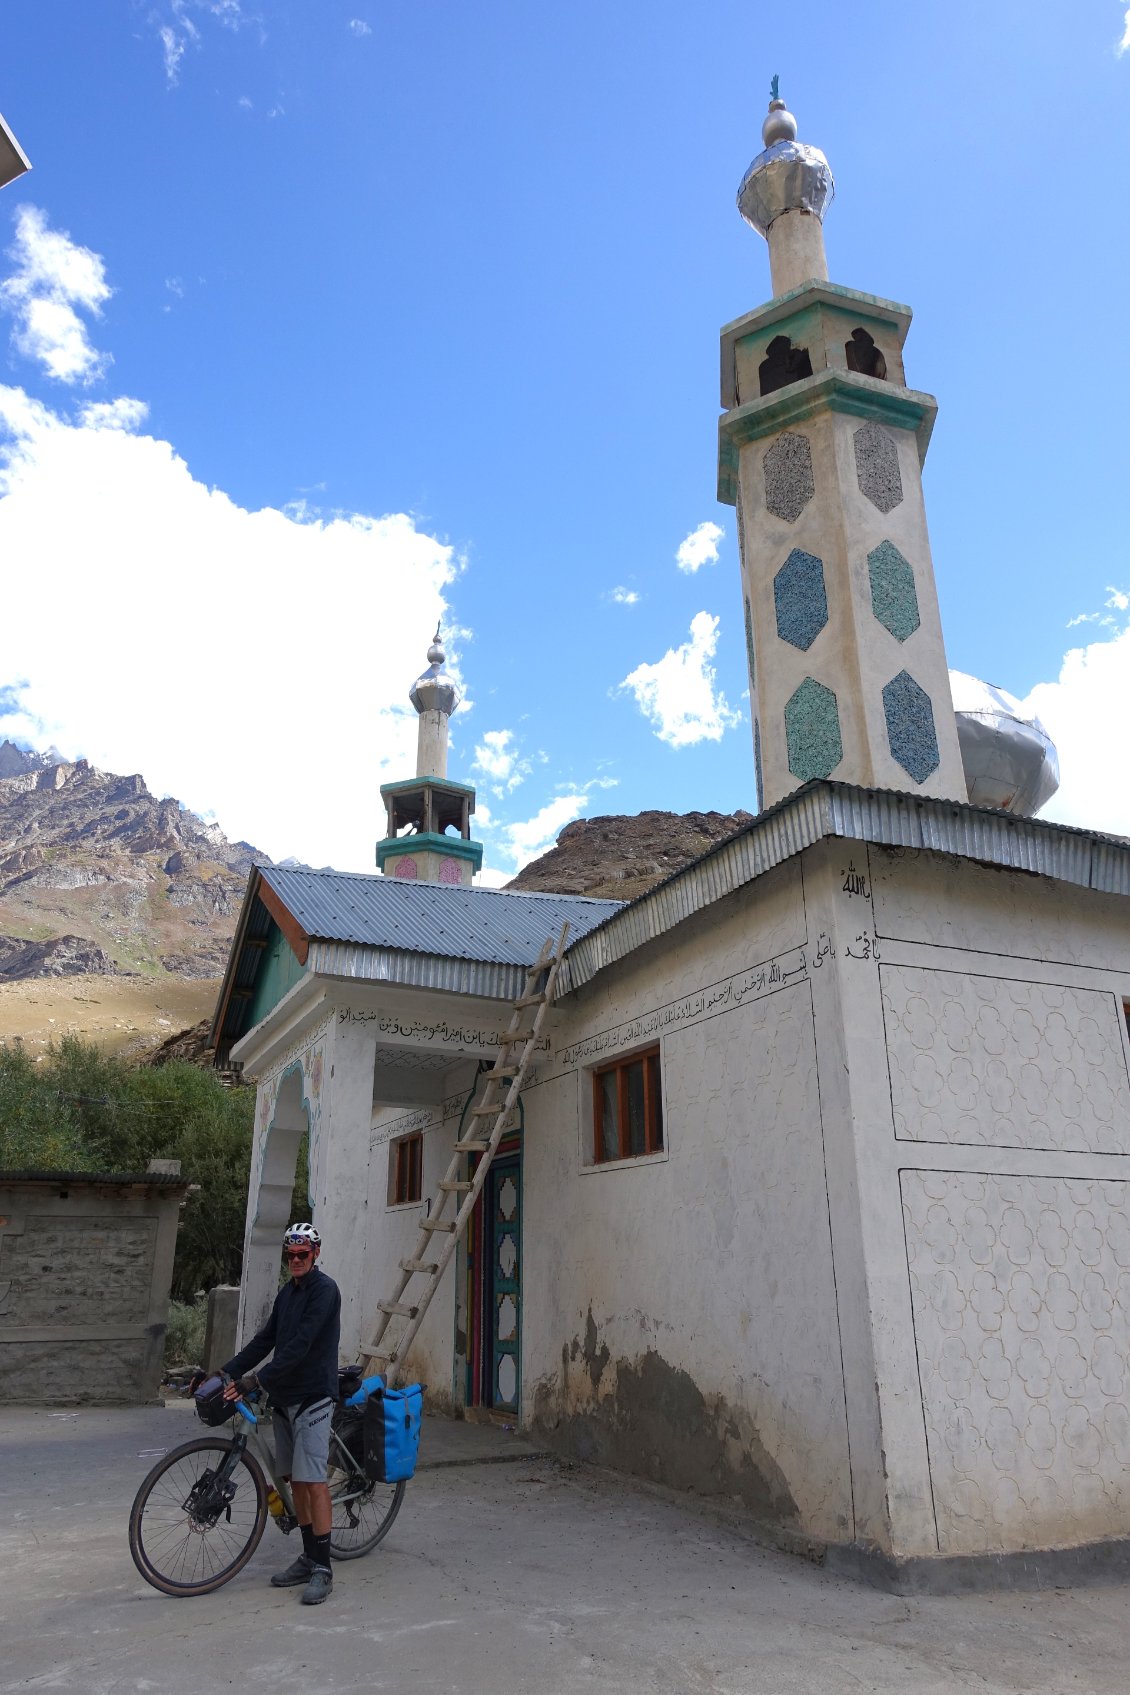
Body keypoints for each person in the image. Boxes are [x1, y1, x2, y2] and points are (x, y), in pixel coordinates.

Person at [221, 1222, 341, 1606]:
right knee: (296, 1483)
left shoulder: (325, 1291)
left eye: (303, 1255)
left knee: (313, 1481)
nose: (296, 1261)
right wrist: (227, 1372)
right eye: (290, 1255)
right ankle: (308, 1557)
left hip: (313, 1395)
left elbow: (301, 1346)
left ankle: (324, 1568)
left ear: (315, 1254)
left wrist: (256, 1380)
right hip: (284, 1398)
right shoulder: (286, 1295)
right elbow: (266, 1340)